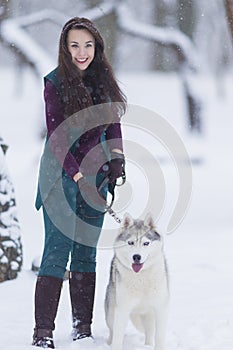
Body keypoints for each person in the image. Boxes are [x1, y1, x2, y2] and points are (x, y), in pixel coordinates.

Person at [32, 17, 126, 349]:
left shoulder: (103, 79)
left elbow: (113, 123)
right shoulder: (55, 83)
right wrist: (78, 177)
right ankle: (43, 332)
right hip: (60, 174)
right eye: (74, 45)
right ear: (65, 47)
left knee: (86, 252)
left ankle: (82, 328)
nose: (81, 52)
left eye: (88, 45)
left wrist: (116, 159)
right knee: (57, 251)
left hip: (95, 173)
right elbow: (58, 139)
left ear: (96, 47)